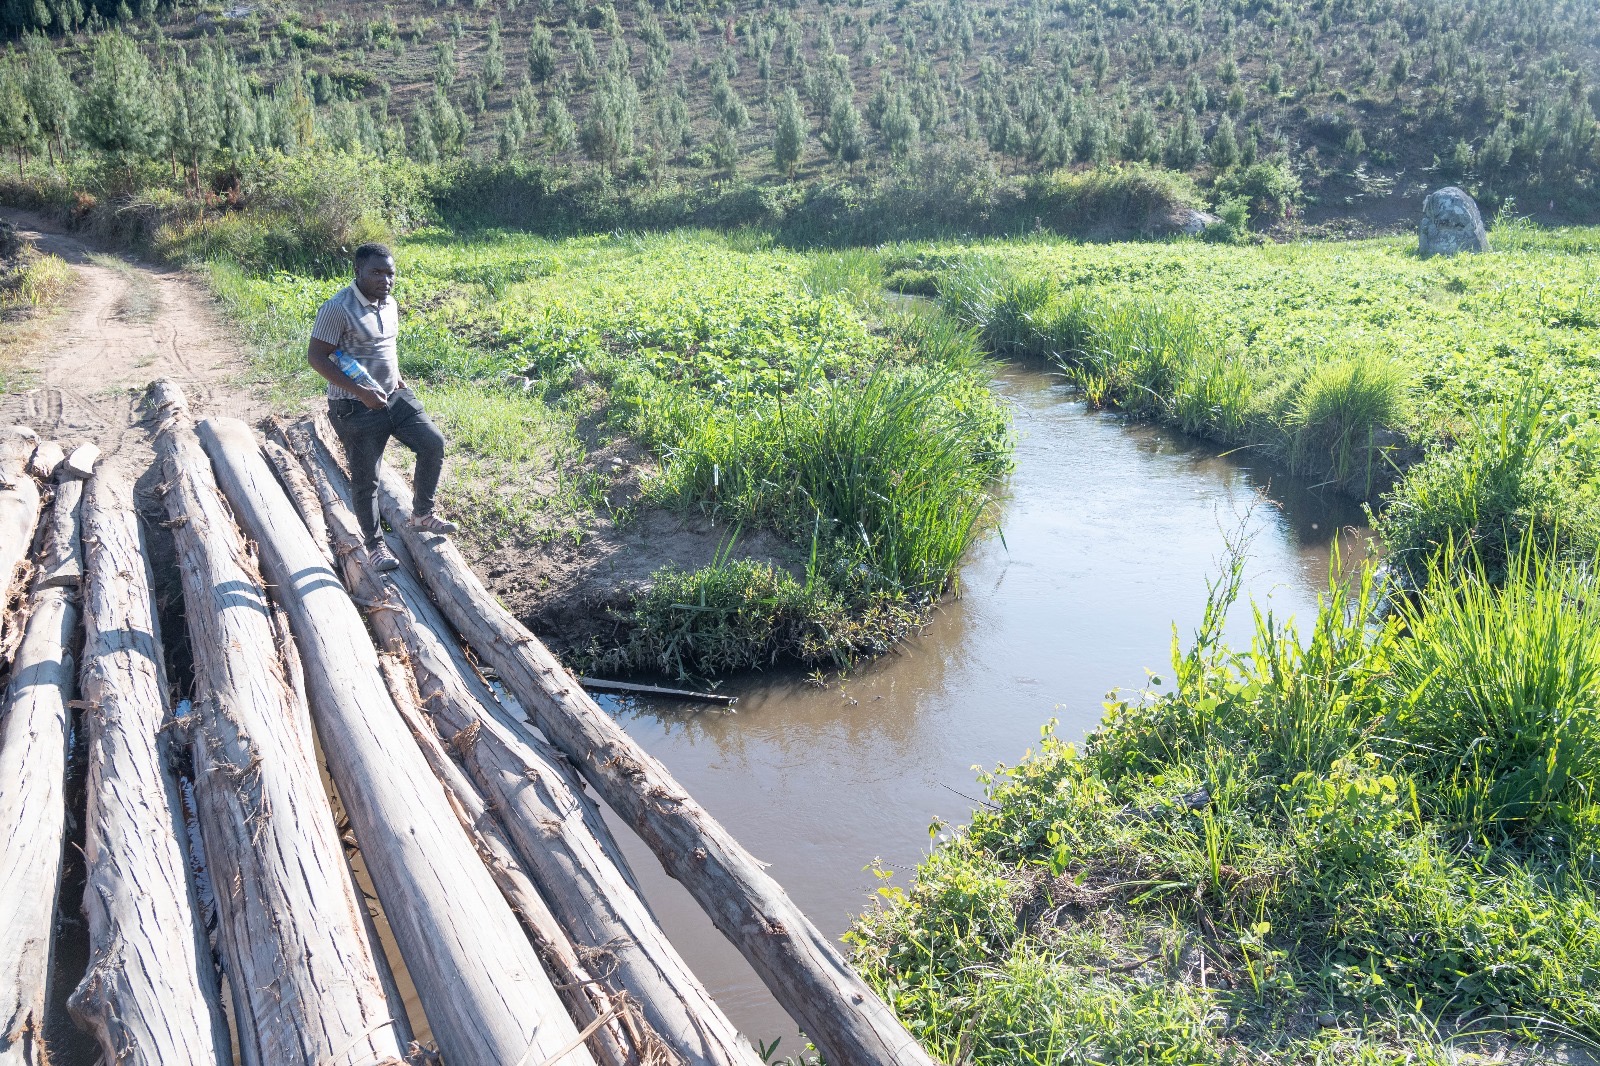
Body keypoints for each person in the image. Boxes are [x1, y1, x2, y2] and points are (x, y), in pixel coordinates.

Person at [307, 242, 457, 572]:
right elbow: (316, 357)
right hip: (353, 406)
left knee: (433, 443)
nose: (385, 280)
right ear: (357, 272)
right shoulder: (338, 308)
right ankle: (375, 547)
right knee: (367, 481)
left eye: (390, 274)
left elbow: (385, 346)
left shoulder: (389, 304)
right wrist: (360, 392)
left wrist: (397, 376)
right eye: (376, 272)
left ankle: (421, 515)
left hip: (392, 395)